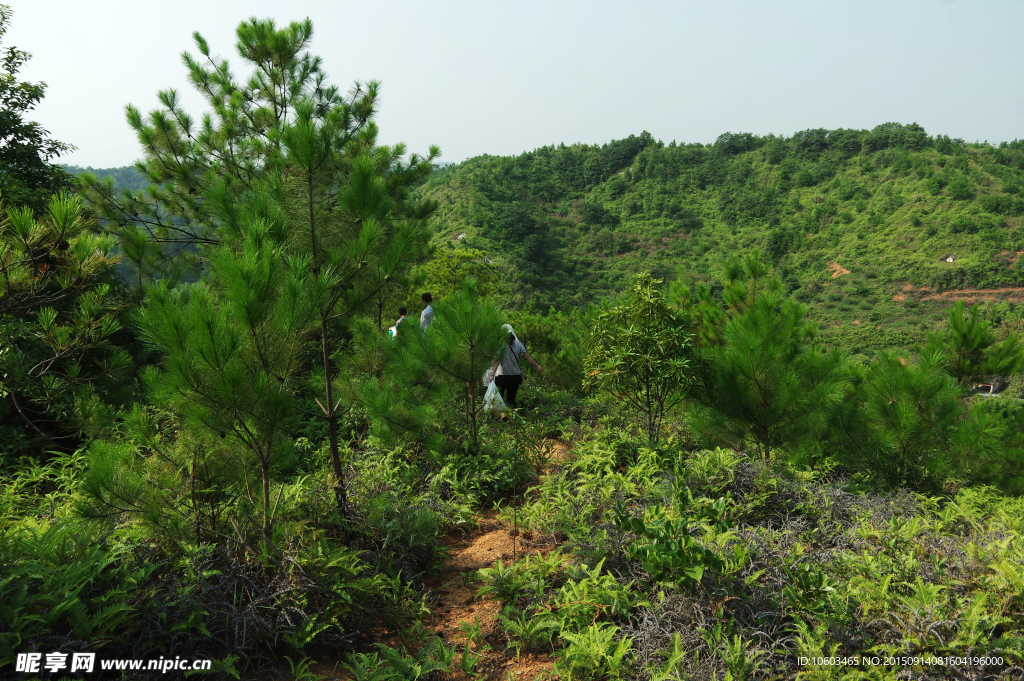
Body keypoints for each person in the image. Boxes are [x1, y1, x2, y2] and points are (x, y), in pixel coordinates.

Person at [488, 324, 542, 411]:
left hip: (502, 376)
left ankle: (500, 418)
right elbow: (527, 357)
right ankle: (513, 418)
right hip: (515, 377)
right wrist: (537, 366)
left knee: (498, 399)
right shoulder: (518, 344)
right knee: (511, 399)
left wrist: (492, 375)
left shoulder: (499, 345)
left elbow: (497, 361)